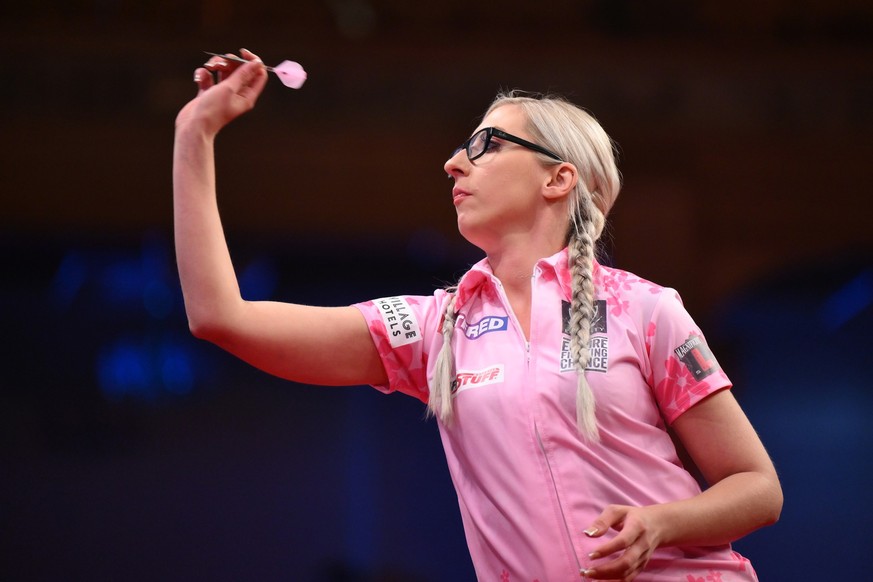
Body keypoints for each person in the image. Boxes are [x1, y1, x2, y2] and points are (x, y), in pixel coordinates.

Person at [174, 49, 783, 582]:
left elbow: (757, 487)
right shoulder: (437, 330)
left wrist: (660, 523)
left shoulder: (643, 309)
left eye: (485, 146)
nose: (453, 164)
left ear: (558, 178)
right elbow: (220, 317)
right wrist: (193, 135)